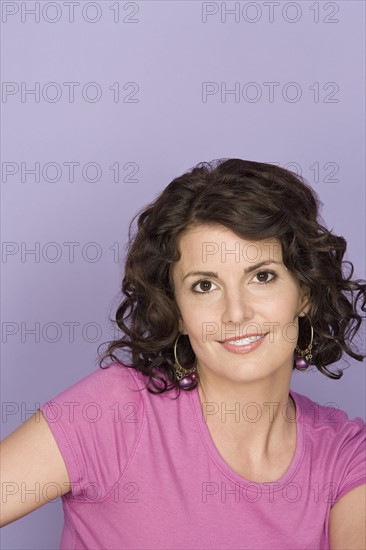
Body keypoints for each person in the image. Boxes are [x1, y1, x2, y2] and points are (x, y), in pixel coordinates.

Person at [1, 158, 365, 549]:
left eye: (262, 276)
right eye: (205, 286)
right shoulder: (114, 411)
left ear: (304, 294)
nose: (236, 313)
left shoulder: (344, 454)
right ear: (177, 313)